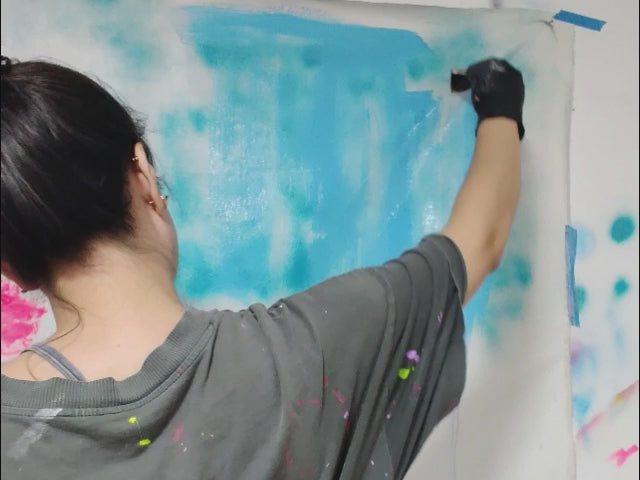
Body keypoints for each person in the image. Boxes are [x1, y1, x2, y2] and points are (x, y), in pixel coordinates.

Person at [0, 54, 524, 479]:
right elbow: (479, 242)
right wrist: (501, 108)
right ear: (143, 177)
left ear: (12, 268)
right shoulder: (313, 351)